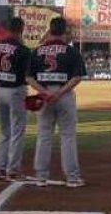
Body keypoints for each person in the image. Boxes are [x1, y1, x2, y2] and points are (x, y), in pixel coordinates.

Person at [26, 17, 87, 187]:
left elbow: (28, 77)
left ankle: (41, 176)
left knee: (44, 135)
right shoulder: (71, 51)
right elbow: (77, 77)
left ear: (50, 30)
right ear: (63, 31)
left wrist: (43, 91)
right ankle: (72, 177)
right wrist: (59, 93)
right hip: (64, 94)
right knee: (67, 136)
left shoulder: (37, 51)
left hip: (44, 95)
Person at [0, 17, 32, 180]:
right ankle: (13, 168)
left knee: (4, 130)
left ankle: (0, 167)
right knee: (17, 131)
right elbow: (27, 75)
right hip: (15, 90)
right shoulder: (22, 49)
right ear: (21, 29)